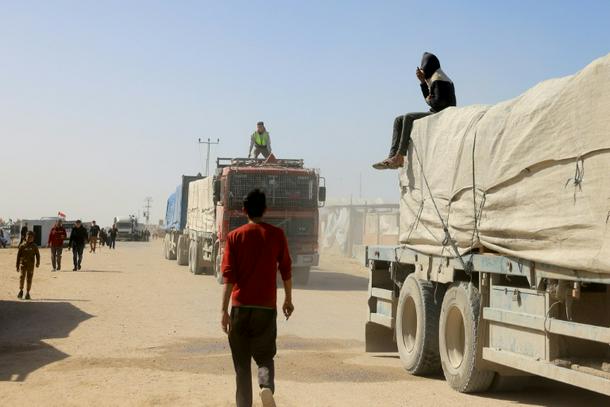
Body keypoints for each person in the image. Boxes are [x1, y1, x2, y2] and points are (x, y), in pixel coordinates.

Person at [221, 188, 293, 407]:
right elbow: (286, 270)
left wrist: (223, 310)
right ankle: (265, 386)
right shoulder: (276, 235)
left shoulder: (235, 237)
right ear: (265, 209)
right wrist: (288, 299)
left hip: (240, 308)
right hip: (266, 309)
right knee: (263, 357)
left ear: (244, 210)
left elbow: (228, 277)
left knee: (242, 365)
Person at [373, 52, 456, 170]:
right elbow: (431, 99)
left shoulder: (439, 79)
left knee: (408, 117)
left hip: (442, 114)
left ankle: (400, 156)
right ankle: (392, 156)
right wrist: (423, 83)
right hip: (436, 111)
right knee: (398, 120)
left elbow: (437, 103)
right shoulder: (435, 78)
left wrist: (428, 97)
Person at [16, 231, 40, 300]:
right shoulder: (22, 246)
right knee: (22, 277)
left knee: (29, 279)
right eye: (28, 237)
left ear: (33, 238)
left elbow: (38, 255)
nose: (29, 238)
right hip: (23, 265)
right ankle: (21, 290)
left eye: (31, 237)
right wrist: (17, 266)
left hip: (31, 266)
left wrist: (38, 263)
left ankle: (27, 292)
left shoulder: (34, 246)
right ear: (25, 237)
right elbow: (18, 256)